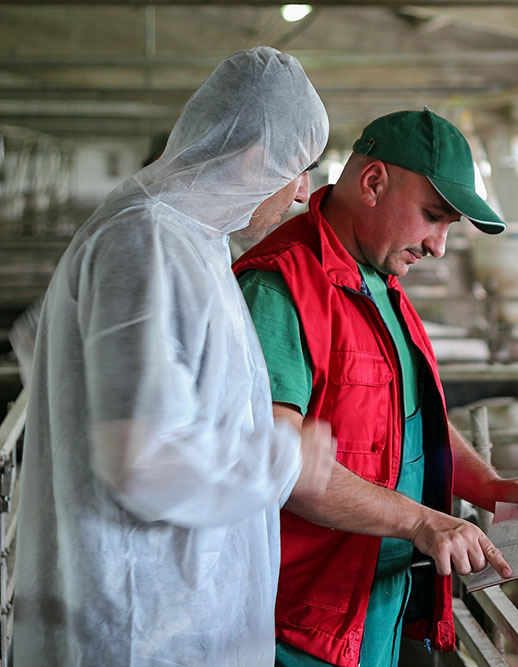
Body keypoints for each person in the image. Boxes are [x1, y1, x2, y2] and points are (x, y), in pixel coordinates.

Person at [12, 46, 337, 665]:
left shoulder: (193, 238)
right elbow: (142, 461)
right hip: (143, 621)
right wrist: (280, 458)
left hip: (183, 608)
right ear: (252, 158)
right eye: (300, 169)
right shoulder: (146, 240)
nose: (302, 194)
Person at [233, 109, 518, 667]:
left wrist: (486, 484)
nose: (438, 246)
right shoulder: (280, 287)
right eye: (433, 217)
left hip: (377, 602)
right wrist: (421, 520)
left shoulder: (380, 282)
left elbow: (412, 420)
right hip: (299, 621)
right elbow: (278, 461)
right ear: (372, 183)